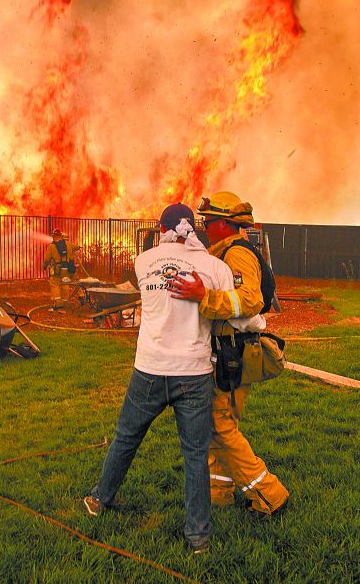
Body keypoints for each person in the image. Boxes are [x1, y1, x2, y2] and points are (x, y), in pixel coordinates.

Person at [83, 203, 235, 554]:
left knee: (126, 438)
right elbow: (230, 310)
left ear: (161, 228)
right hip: (194, 372)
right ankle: (198, 538)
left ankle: (99, 499)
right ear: (193, 228)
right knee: (195, 453)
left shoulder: (143, 261)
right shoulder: (215, 266)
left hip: (149, 369)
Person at [169, 191, 290, 517]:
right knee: (215, 427)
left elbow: (249, 300)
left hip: (231, 353)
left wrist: (204, 297)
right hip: (225, 352)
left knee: (220, 428)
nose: (205, 227)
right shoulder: (223, 252)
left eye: (209, 221)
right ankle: (218, 492)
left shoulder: (236, 254)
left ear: (224, 223)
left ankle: (270, 495)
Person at [42, 228, 80, 311]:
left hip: (57, 269)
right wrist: (78, 247)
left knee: (55, 284)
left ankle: (58, 304)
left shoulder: (52, 246)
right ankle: (65, 302)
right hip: (66, 269)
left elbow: (47, 259)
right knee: (65, 284)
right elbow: (76, 247)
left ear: (53, 236)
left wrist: (45, 265)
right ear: (61, 236)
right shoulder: (68, 244)